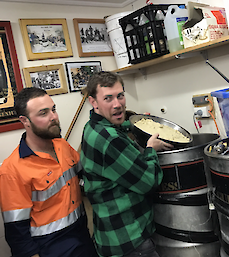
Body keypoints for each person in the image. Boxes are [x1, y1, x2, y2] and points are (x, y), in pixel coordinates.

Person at [80, 71, 173, 257]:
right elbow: (149, 182)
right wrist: (151, 149)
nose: (117, 104)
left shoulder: (93, 126)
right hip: (129, 238)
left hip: (110, 234)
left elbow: (119, 127)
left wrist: (138, 125)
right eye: (108, 98)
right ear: (93, 102)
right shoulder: (109, 140)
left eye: (120, 95)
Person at [0, 87, 97, 257]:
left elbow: (86, 177)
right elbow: (17, 235)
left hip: (82, 235)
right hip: (50, 247)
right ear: (25, 121)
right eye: (43, 113)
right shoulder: (12, 170)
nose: (54, 117)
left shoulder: (62, 145)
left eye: (53, 109)